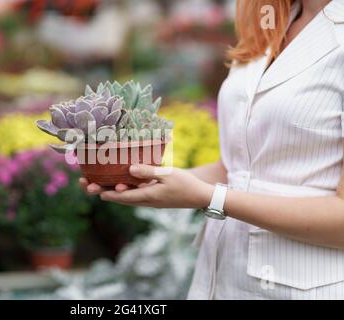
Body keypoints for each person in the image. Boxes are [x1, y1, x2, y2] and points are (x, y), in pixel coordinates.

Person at [80, 0, 344, 299]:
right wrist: (148, 180)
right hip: (219, 278)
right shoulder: (271, 19)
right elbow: (240, 166)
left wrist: (211, 197)